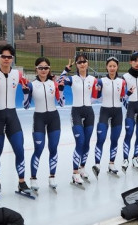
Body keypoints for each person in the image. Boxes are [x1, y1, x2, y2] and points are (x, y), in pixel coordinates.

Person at [0, 45, 30, 195]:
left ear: (12, 59)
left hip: (12, 116)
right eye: (3, 56)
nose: (6, 59)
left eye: (9, 57)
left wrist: (26, 93)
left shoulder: (18, 74)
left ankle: (22, 182)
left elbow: (28, 91)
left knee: (20, 150)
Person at [23, 57, 63, 189]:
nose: (43, 70)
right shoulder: (31, 85)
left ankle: (52, 177)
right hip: (39, 118)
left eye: (46, 67)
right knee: (38, 149)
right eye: (41, 67)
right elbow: (26, 106)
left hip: (54, 118)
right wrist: (25, 93)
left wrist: (61, 90)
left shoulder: (54, 83)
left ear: (49, 69)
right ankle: (33, 178)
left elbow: (62, 103)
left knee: (53, 148)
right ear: (36, 69)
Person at [59, 54, 98, 185]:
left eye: (84, 61)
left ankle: (82, 168)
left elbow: (98, 93)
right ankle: (75, 173)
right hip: (76, 112)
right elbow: (60, 81)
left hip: (89, 112)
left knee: (86, 143)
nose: (82, 64)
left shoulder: (93, 79)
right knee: (80, 141)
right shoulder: (72, 78)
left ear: (87, 63)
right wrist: (66, 70)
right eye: (79, 62)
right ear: (76, 64)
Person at [91, 56, 126, 178]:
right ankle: (97, 164)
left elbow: (122, 97)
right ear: (106, 67)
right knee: (101, 138)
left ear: (117, 67)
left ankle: (111, 164)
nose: (112, 68)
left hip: (117, 112)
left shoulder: (121, 82)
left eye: (114, 66)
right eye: (110, 66)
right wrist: (95, 90)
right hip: (104, 111)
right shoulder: (101, 81)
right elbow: (95, 97)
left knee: (115, 139)